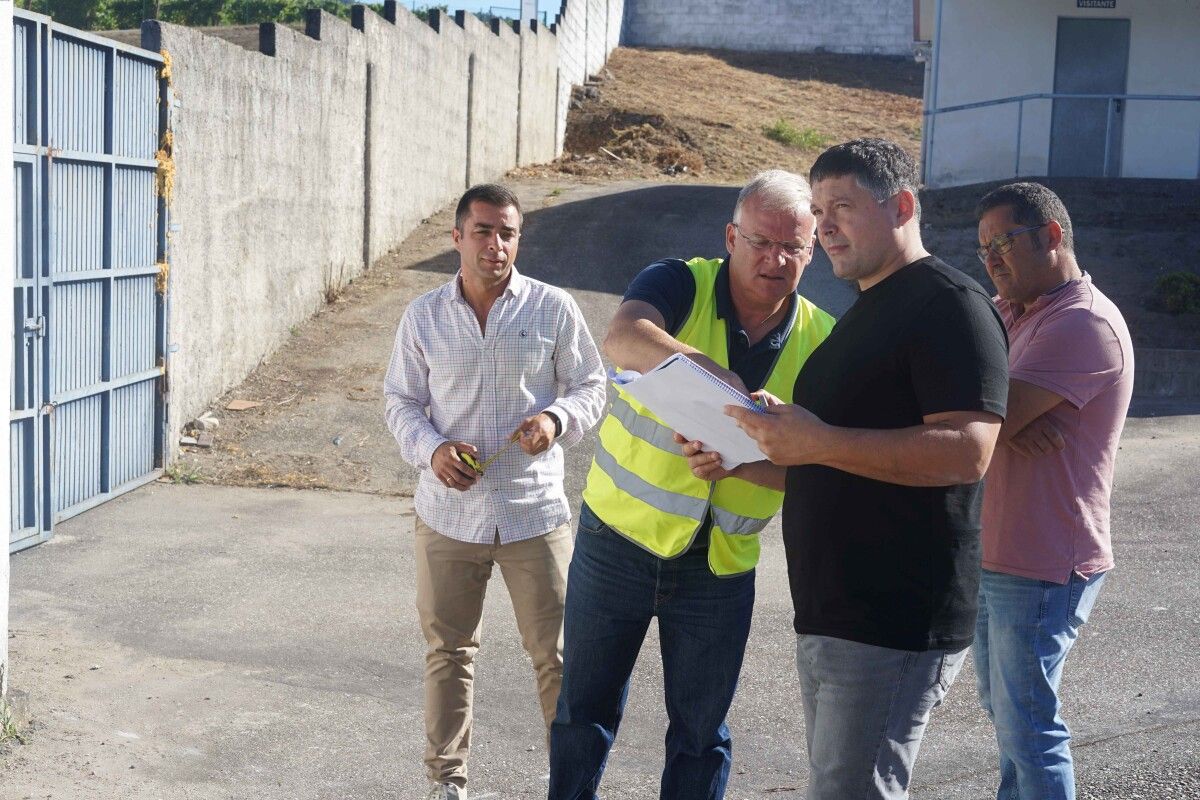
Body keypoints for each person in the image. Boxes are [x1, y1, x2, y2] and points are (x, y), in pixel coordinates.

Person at [720, 139, 1010, 800]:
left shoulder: (951, 307)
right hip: (836, 614)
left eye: (841, 207)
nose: (823, 227)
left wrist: (818, 439)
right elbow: (829, 461)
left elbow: (968, 450)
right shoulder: (866, 312)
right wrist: (747, 456)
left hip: (893, 619)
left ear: (902, 204)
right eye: (819, 210)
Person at [548, 170, 836, 800]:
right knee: (581, 717)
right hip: (617, 540)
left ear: (813, 251)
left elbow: (822, 470)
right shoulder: (679, 280)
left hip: (721, 567)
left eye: (793, 247)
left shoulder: (824, 341)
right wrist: (713, 377)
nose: (775, 259)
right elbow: (623, 337)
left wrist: (742, 463)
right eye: (761, 242)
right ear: (731, 236)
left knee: (701, 737)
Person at [385, 183, 606, 800]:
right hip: (447, 514)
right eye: (482, 230)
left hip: (533, 511)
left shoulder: (552, 308)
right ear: (457, 238)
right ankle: (447, 783)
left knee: (560, 658)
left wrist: (556, 420)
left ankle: (570, 784)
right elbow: (400, 401)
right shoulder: (423, 316)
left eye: (507, 232)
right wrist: (431, 451)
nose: (496, 244)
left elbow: (592, 383)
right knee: (449, 652)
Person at [973, 182, 1133, 800]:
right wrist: (1001, 421)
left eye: (1004, 242)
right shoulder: (1011, 310)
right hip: (998, 550)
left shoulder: (1082, 323)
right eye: (983, 248)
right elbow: (976, 405)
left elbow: (986, 415)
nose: (991, 259)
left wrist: (999, 421)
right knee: (1008, 714)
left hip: (1043, 562)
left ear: (1052, 235)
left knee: (1029, 726)